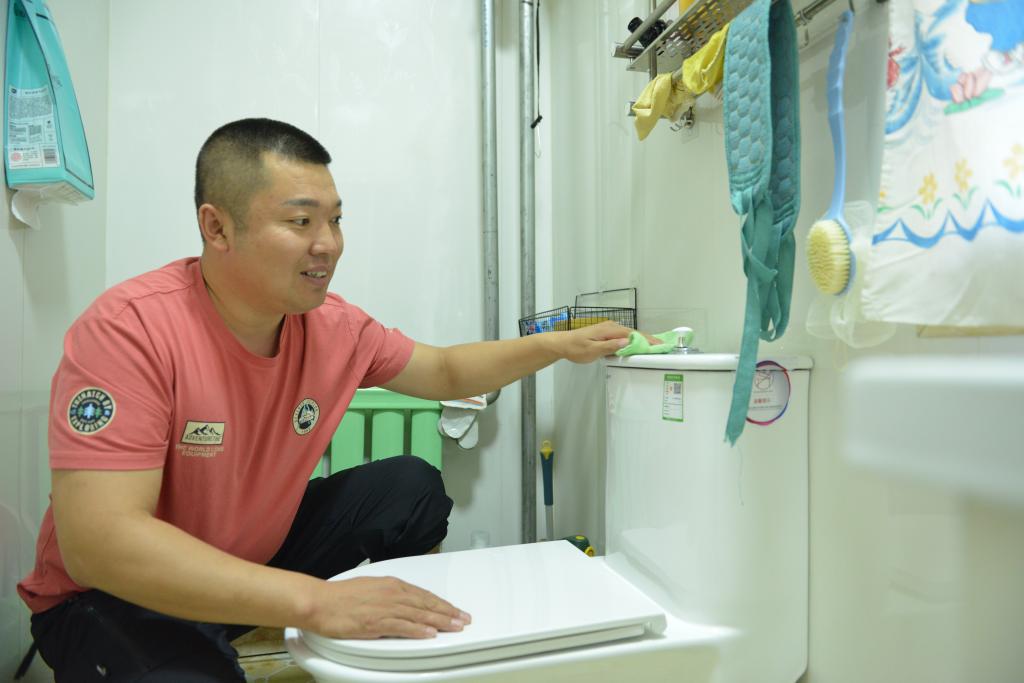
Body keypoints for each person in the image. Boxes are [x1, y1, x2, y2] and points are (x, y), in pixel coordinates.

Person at [15, 118, 636, 681]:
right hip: (111, 598)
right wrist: (316, 603)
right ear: (216, 226)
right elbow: (100, 543)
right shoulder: (130, 330)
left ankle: (323, 629)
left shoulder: (333, 327)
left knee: (410, 486)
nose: (329, 244)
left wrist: (557, 345)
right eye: (301, 222)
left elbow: (446, 371)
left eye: (335, 220)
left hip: (249, 561)